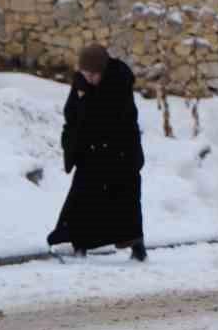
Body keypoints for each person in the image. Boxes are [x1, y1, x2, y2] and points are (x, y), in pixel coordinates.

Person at [47, 44, 147, 261]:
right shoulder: (81, 84)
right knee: (82, 198)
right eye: (85, 73)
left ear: (102, 70)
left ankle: (137, 246)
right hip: (91, 152)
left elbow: (109, 117)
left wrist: (87, 98)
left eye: (93, 74)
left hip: (121, 153)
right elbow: (71, 114)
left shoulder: (119, 81)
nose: (89, 78)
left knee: (125, 202)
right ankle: (78, 244)